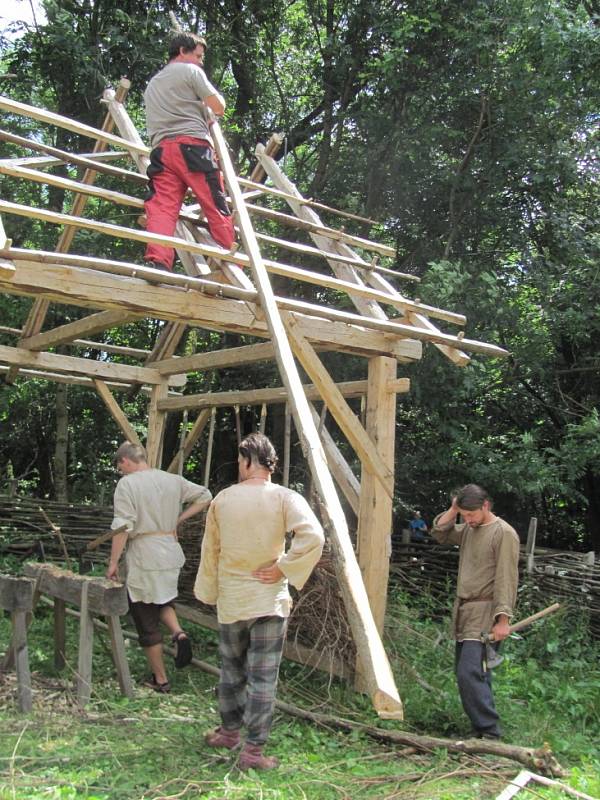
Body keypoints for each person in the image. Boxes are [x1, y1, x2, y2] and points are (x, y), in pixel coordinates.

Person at [194, 433, 324, 770]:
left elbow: (211, 551)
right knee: (263, 677)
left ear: (249, 460)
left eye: (240, 461)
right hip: (269, 601)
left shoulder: (223, 500)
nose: (239, 466)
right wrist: (284, 568)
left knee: (231, 671)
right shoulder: (285, 497)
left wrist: (208, 592)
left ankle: (229, 733)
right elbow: (314, 535)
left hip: (234, 600)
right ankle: (251, 752)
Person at [107, 441, 212, 693]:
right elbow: (205, 496)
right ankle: (178, 633)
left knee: (144, 615)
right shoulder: (172, 480)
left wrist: (112, 564)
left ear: (125, 461)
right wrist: (177, 520)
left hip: (145, 555)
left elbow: (123, 528)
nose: (121, 472)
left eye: (120, 467)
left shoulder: (127, 484)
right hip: (170, 551)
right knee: (162, 599)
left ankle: (161, 679)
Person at [431, 484, 520, 739]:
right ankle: (482, 732)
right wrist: (454, 507)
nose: (467, 520)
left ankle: (489, 731)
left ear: (485, 506)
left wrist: (502, 620)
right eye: (463, 515)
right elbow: (439, 532)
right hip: (465, 611)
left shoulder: (503, 533)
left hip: (486, 613)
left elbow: (507, 578)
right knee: (475, 672)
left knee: (468, 672)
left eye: (471, 514)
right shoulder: (470, 529)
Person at [143, 31, 236, 271]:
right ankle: (229, 260)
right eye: (198, 56)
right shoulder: (190, 71)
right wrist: (207, 102)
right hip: (193, 147)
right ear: (182, 52)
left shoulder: (152, 85)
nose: (200, 62)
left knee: (162, 206)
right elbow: (219, 107)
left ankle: (159, 261)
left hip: (162, 152)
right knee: (215, 202)